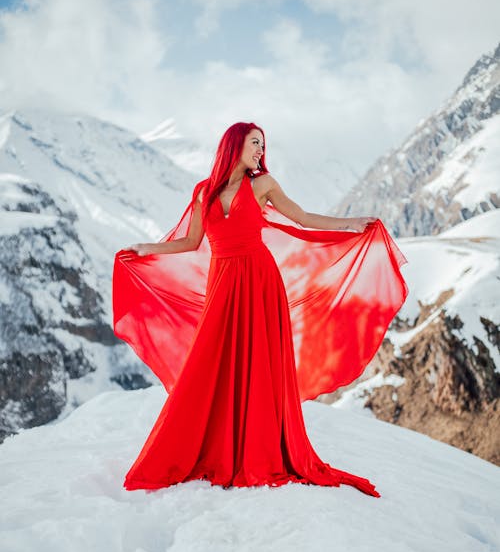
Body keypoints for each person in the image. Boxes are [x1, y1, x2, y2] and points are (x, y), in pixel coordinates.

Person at [113, 122, 408, 498]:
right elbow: (190, 242)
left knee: (256, 364)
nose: (260, 150)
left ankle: (255, 448)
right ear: (234, 145)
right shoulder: (204, 191)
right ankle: (207, 446)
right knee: (211, 363)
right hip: (223, 285)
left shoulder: (264, 185)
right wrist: (147, 249)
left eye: (262, 145)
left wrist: (350, 224)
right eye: (255, 143)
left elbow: (303, 219)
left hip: (259, 282)